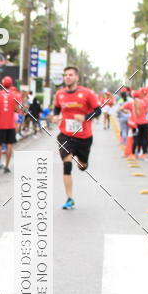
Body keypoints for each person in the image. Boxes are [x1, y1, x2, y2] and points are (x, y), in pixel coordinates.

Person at [53, 65, 101, 209]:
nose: (67, 77)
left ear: (76, 77)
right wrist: (56, 116)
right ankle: (69, 198)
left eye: (71, 75)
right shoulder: (59, 94)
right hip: (66, 135)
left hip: (84, 136)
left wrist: (85, 117)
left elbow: (98, 110)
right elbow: (57, 107)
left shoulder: (87, 93)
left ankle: (83, 162)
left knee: (82, 166)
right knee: (67, 163)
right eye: (66, 75)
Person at [0, 76, 21, 173]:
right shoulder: (15, 95)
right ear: (11, 84)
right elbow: (17, 109)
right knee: (9, 145)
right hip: (10, 124)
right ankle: (6, 166)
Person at [120, 90, 148, 159]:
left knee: (135, 139)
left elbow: (121, 108)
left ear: (132, 96)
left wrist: (126, 112)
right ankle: (144, 154)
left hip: (136, 124)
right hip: (145, 123)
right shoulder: (143, 103)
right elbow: (147, 110)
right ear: (140, 95)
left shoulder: (131, 103)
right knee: (144, 139)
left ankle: (133, 154)